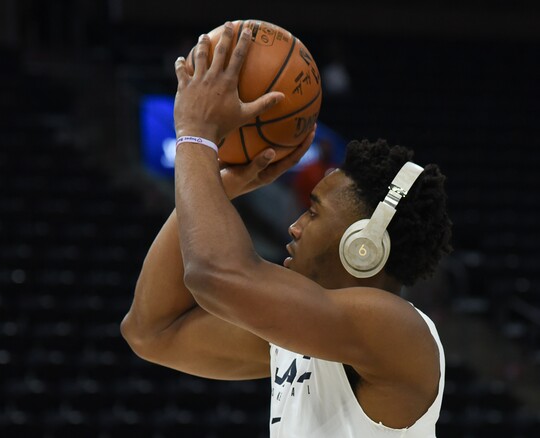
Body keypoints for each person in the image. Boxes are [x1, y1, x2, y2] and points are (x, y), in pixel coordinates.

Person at [121, 22, 452, 437]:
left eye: (313, 212)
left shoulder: (395, 329)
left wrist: (197, 134)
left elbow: (214, 274)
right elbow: (150, 331)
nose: (294, 226)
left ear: (363, 245)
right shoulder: (305, 338)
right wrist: (225, 184)